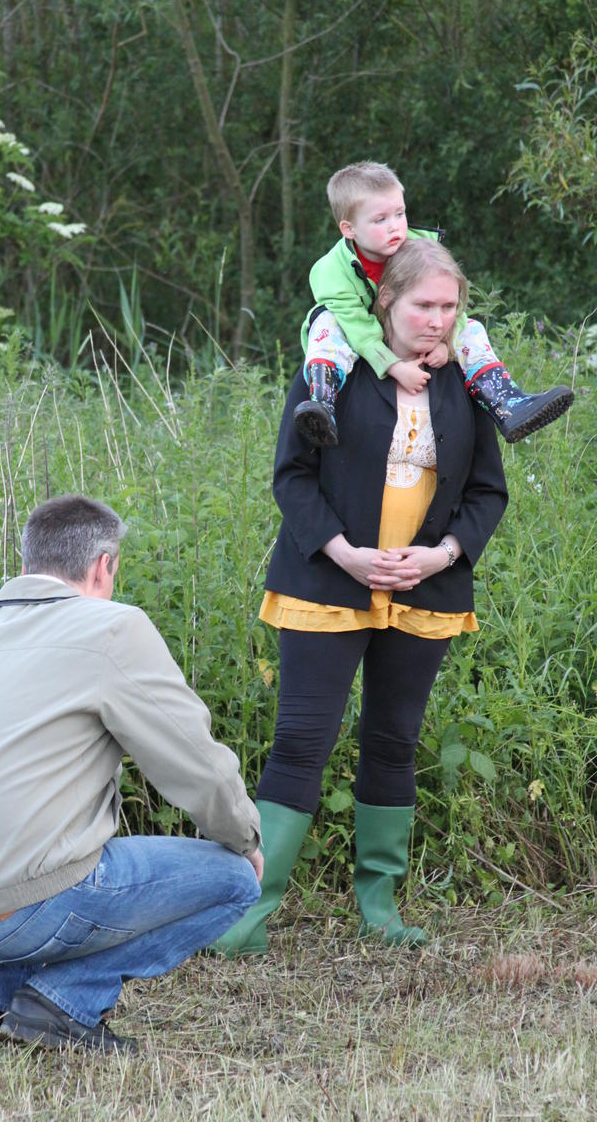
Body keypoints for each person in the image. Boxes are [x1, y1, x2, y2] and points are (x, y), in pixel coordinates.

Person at [214, 238, 508, 957]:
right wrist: (346, 553)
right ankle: (249, 914)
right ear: (387, 302)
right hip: (326, 581)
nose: (438, 319)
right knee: (301, 743)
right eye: (423, 305)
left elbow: (486, 492)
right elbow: (292, 476)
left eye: (448, 306)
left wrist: (440, 554)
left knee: (393, 742)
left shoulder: (467, 380)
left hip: (426, 587)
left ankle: (378, 907)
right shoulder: (334, 368)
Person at [0, 494, 263, 1053]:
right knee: (233, 882)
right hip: (14, 909)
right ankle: (62, 1002)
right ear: (103, 566)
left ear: (25, 565)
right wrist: (246, 840)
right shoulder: (110, 628)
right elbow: (197, 763)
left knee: (48, 867)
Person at [293, 160, 573, 447]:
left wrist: (447, 342)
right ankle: (323, 405)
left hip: (409, 327)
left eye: (399, 214)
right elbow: (359, 328)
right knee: (326, 321)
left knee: (472, 328)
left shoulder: (421, 248)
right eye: (380, 220)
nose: (395, 227)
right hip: (360, 335)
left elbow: (452, 299)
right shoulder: (330, 271)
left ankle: (507, 403)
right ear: (348, 229)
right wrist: (394, 367)